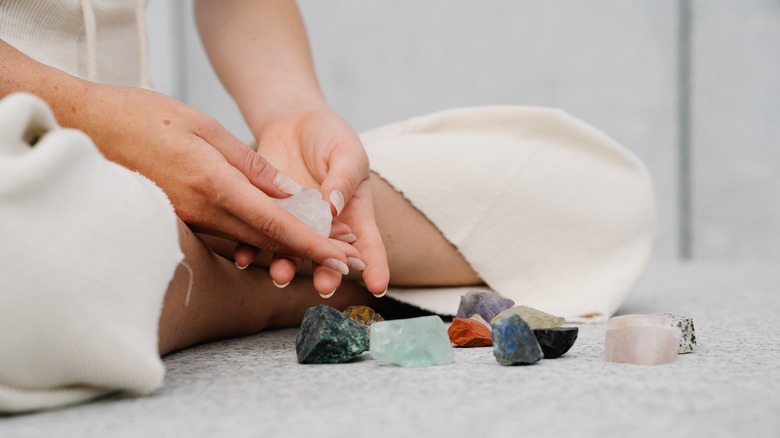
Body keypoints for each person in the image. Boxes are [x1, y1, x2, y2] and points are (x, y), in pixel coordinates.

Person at [0, 0, 655, 413]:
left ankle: (231, 254)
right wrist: (97, 121)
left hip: (160, 179)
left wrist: (290, 109)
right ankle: (285, 286)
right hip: (34, 173)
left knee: (590, 189)